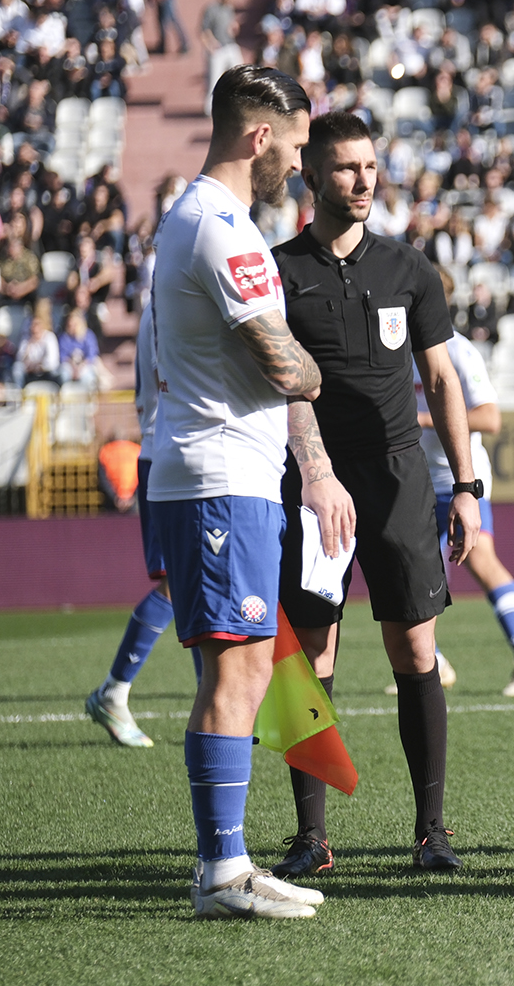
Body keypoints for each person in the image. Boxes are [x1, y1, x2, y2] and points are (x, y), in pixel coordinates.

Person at [267, 111, 484, 881]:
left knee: (413, 649)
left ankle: (431, 832)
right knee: (309, 657)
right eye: (346, 168)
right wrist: (313, 472)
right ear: (311, 176)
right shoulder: (278, 271)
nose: (363, 180)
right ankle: (310, 837)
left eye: (370, 165)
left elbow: (442, 380)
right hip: (314, 484)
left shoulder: (409, 270)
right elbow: (277, 382)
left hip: (397, 481)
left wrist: (464, 486)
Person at [150, 64, 344, 919]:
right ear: (259, 137)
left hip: (228, 475)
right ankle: (221, 873)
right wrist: (315, 371)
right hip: (220, 477)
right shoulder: (219, 225)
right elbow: (283, 362)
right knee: (236, 673)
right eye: (297, 146)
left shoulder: (207, 219)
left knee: (245, 667)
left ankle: (226, 865)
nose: (299, 165)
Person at [412, 271, 514, 697]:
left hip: (460, 480)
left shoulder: (457, 350)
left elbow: (489, 418)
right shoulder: (396, 350)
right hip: (415, 480)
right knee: (413, 573)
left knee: (480, 561)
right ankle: (431, 661)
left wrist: (419, 420)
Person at [84, 293, 195, 750]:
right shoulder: (173, 301)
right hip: (173, 453)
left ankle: (223, 705)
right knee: (179, 583)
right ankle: (115, 690)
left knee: (196, 585)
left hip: (176, 450)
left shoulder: (166, 297)